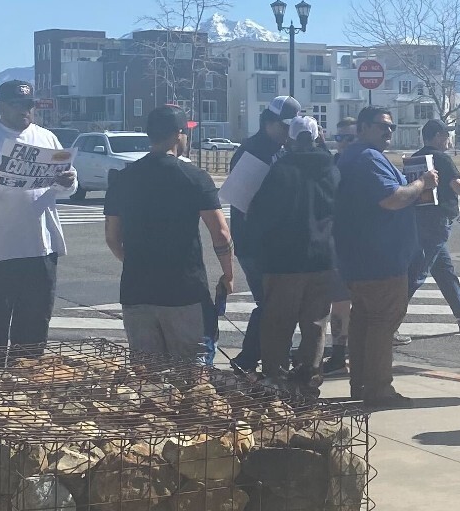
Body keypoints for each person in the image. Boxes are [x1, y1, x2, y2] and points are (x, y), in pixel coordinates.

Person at [0, 79, 78, 369]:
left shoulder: (47, 137)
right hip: (2, 248)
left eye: (29, 105)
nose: (25, 110)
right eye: (18, 105)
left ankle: (26, 382)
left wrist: (68, 182)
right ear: (0, 107)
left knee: (35, 322)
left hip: (42, 246)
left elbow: (67, 185)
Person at [103, 106, 234, 364]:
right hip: (184, 292)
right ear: (178, 135)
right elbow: (220, 233)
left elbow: (111, 237)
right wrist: (228, 275)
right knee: (192, 376)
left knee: (147, 377)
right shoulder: (194, 178)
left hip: (136, 290)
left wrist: (134, 261)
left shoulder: (123, 178)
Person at [335, 106, 438, 409]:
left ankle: (361, 384)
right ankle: (378, 388)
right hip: (380, 258)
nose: (389, 132)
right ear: (363, 127)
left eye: (391, 127)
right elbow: (392, 199)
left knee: (364, 321)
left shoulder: (353, 156)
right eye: (382, 126)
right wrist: (422, 184)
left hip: (360, 256)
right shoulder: (367, 157)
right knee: (382, 322)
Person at [245, 115, 340, 396]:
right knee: (315, 324)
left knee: (278, 323)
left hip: (284, 260)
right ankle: (310, 376)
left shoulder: (280, 171)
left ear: (290, 138)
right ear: (318, 137)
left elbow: (261, 215)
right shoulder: (332, 170)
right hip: (323, 258)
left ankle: (276, 378)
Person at [227, 95, 301, 376]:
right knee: (271, 302)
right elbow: (242, 202)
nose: (287, 132)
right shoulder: (253, 151)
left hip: (274, 242)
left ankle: (255, 356)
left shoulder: (280, 150)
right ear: (268, 123)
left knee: (274, 302)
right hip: (256, 243)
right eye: (284, 127)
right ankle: (251, 358)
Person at [406, 119, 460, 335]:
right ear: (436, 137)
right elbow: (458, 186)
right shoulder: (441, 158)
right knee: (417, 272)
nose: (449, 139)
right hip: (436, 222)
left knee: (444, 271)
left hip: (417, 219)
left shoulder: (415, 158)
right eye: (446, 135)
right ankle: (388, 320)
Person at [322, 116, 358, 375]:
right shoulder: (330, 165)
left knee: (356, 302)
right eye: (339, 138)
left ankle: (351, 352)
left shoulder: (363, 164)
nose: (343, 143)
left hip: (360, 242)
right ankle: (338, 352)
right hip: (334, 242)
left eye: (349, 138)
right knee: (340, 301)